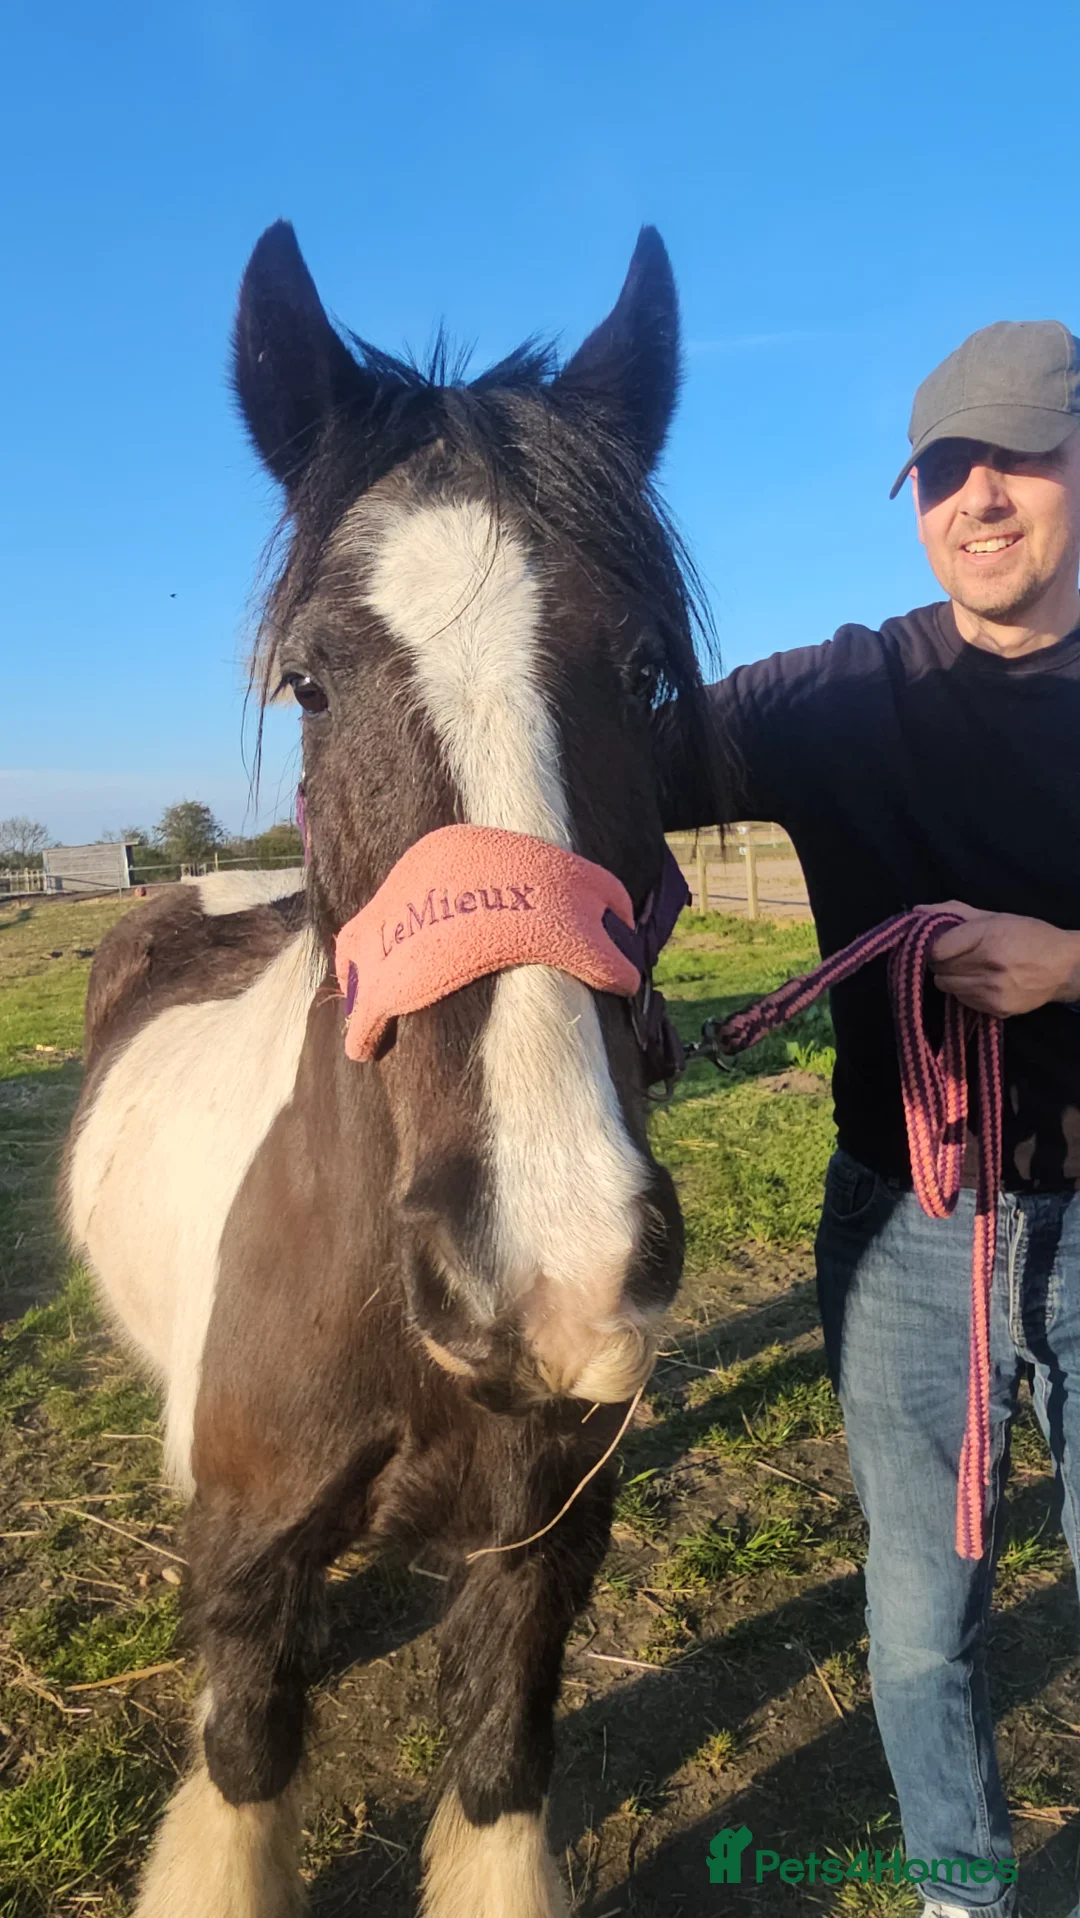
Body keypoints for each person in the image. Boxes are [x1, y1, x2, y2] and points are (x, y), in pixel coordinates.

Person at [664, 320, 1080, 1918]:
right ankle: (961, 1889)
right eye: (944, 470)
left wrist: (1070, 963)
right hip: (906, 1228)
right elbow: (605, 750)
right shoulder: (840, 693)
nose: (979, 497)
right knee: (919, 1623)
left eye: (1018, 455)